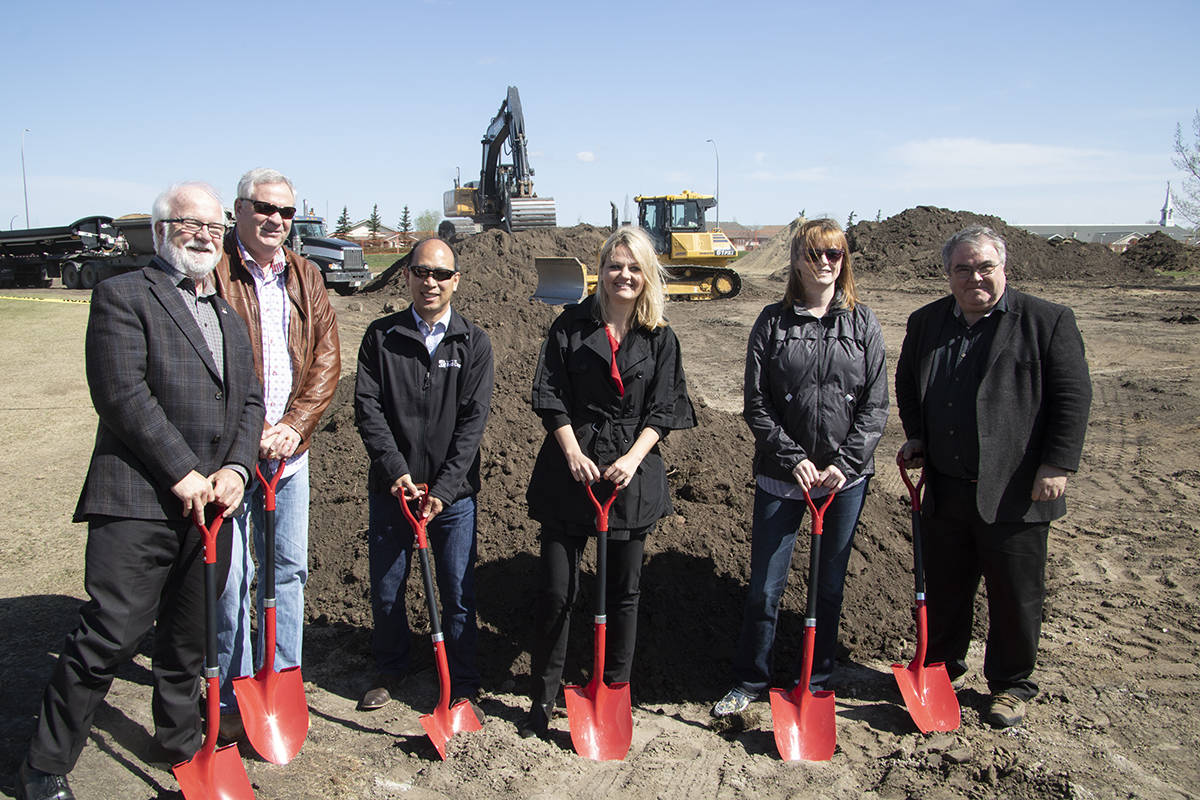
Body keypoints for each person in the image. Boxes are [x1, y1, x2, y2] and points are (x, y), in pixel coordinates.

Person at [16, 183, 263, 800]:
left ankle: (179, 737)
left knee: (189, 636)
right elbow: (122, 392)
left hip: (213, 506)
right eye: (189, 223)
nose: (204, 235)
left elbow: (250, 400)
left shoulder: (228, 313)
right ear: (160, 231)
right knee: (111, 634)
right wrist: (183, 471)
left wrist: (235, 469)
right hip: (139, 501)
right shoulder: (123, 295)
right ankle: (42, 767)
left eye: (212, 225)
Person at [895, 224, 1092, 728]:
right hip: (947, 486)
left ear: (1004, 268)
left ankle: (1011, 684)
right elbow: (907, 381)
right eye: (963, 269)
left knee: (1014, 593)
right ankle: (941, 669)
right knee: (945, 588)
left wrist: (1057, 463)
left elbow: (1072, 396)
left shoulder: (1045, 321)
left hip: (1016, 489)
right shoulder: (927, 322)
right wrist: (917, 434)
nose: (974, 277)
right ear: (948, 274)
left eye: (985, 267)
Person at [520, 225, 697, 739]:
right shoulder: (570, 326)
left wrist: (634, 458)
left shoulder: (660, 337)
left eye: (634, 267)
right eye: (615, 265)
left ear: (647, 276)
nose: (624, 275)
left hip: (629, 479)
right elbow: (548, 392)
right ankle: (543, 697)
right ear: (600, 272)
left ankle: (614, 688)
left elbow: (666, 408)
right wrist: (572, 451)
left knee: (624, 592)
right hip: (569, 472)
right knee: (557, 589)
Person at [712, 219, 888, 718]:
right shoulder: (772, 321)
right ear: (796, 261)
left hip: (843, 482)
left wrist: (845, 463)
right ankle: (749, 680)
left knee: (828, 585)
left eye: (834, 253)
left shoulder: (863, 322)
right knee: (766, 587)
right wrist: (794, 460)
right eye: (815, 254)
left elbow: (876, 406)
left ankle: (818, 678)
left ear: (844, 260)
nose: (826, 262)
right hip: (780, 479)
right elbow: (756, 402)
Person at [213, 167, 340, 739]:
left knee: (288, 568)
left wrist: (294, 424)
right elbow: (202, 359)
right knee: (234, 573)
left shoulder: (305, 273)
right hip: (233, 452)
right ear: (239, 209)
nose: (277, 221)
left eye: (287, 213)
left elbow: (327, 357)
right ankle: (235, 683)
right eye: (265, 209)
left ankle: (282, 673)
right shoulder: (216, 271)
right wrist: (253, 427)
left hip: (291, 451)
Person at [353, 238, 493, 711]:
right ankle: (390, 668)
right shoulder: (381, 337)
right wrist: (395, 471)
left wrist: (447, 489)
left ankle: (462, 681)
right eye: (420, 272)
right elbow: (368, 409)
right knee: (388, 586)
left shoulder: (473, 342)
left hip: (453, 498)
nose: (429, 282)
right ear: (407, 275)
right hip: (393, 490)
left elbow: (473, 421)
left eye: (440, 274)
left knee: (457, 591)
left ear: (455, 280)